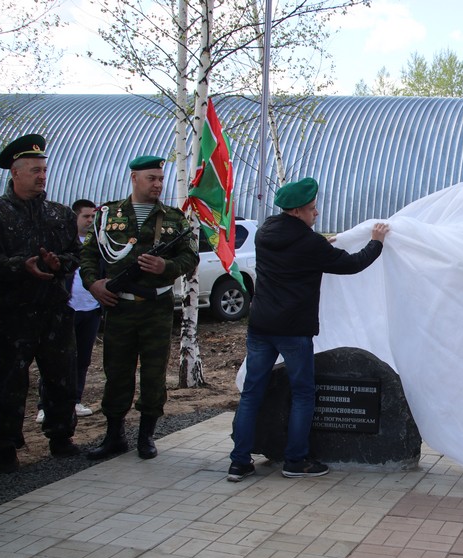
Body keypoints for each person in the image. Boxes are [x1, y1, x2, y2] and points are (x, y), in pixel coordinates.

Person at [227, 178, 389, 482]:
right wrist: (376, 242)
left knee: (252, 393)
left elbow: (300, 251)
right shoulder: (309, 243)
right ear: (297, 211)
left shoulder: (265, 233)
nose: (316, 213)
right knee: (303, 393)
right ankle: (295, 460)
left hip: (261, 326)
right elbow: (352, 264)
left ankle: (239, 462)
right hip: (293, 329)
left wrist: (322, 244)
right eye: (312, 209)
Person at [0, 133, 82, 473]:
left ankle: (61, 436)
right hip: (14, 313)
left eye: (44, 170)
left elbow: (76, 254)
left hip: (54, 310)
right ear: (15, 173)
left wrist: (60, 263)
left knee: (61, 377)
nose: (42, 176)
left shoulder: (60, 214)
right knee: (7, 382)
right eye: (35, 170)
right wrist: (21, 265)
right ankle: (5, 448)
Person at [80, 156, 199, 461]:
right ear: (134, 178)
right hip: (119, 307)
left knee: (153, 373)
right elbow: (89, 254)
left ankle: (146, 435)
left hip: (156, 308)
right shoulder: (108, 215)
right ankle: (114, 436)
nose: (158, 184)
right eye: (151, 178)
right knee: (117, 372)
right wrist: (93, 284)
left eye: (161, 179)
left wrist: (165, 266)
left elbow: (190, 257)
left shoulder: (173, 218)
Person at [36, 199, 100, 423]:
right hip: (67, 308)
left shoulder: (98, 243)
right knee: (56, 358)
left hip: (91, 308)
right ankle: (45, 405)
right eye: (86, 216)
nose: (90, 221)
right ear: (75, 218)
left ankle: (75, 400)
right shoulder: (64, 243)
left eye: (93, 217)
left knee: (82, 359)